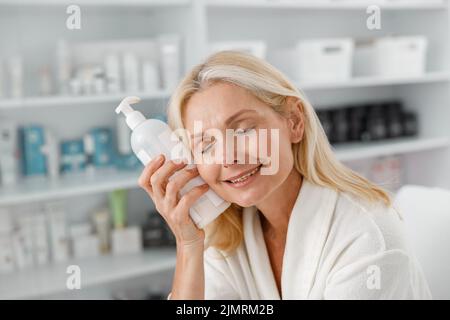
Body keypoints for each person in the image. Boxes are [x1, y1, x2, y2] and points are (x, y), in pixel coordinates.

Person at [138, 51, 431, 300]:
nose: (228, 157)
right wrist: (188, 245)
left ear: (293, 121)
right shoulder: (231, 237)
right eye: (206, 144)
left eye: (243, 129)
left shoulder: (366, 236)